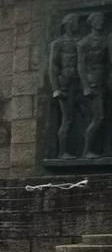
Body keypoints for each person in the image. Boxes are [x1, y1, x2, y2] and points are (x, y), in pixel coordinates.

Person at [48, 13, 83, 158]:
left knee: (90, 116)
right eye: (75, 22)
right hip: (65, 86)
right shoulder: (58, 43)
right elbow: (53, 67)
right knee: (67, 119)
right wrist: (56, 89)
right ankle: (62, 152)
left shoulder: (80, 41)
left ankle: (85, 150)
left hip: (80, 84)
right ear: (68, 24)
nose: (78, 25)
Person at [78, 11, 109, 159]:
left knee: (105, 116)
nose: (101, 22)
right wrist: (85, 86)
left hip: (104, 81)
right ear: (91, 22)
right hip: (92, 81)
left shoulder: (106, 40)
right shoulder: (84, 42)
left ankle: (106, 149)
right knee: (98, 117)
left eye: (102, 20)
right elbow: (81, 66)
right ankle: (86, 151)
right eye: (98, 20)